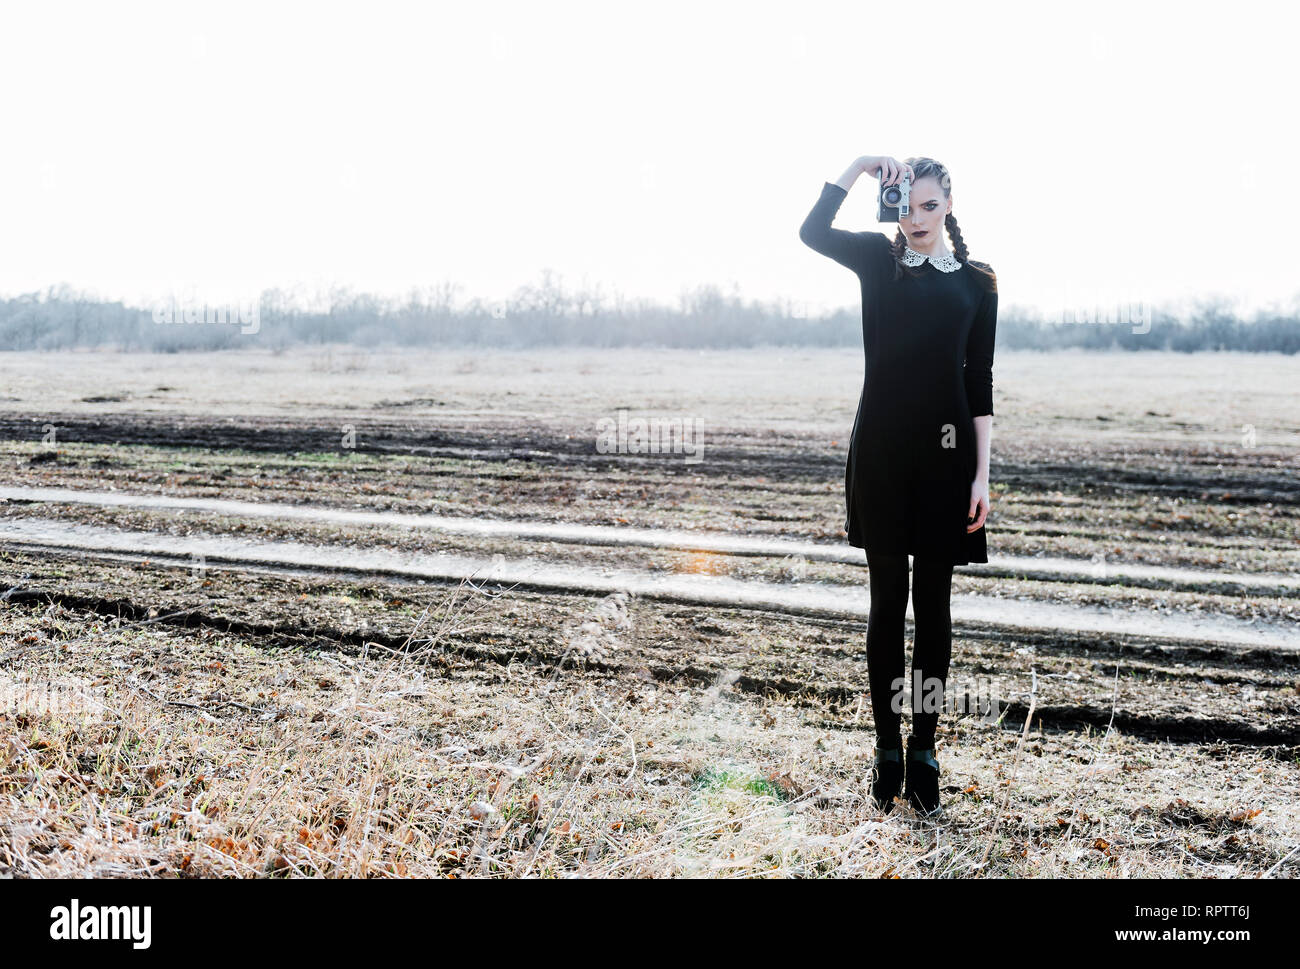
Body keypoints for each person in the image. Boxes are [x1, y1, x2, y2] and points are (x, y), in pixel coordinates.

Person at [798, 155, 998, 817]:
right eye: (906, 205)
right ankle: (887, 745)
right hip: (881, 455)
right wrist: (855, 167)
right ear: (892, 204)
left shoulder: (977, 283)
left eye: (929, 206)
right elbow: (812, 231)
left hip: (947, 463)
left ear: (949, 207)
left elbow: (980, 386)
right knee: (887, 605)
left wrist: (981, 474)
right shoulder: (876, 262)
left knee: (934, 609)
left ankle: (926, 746)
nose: (916, 218)